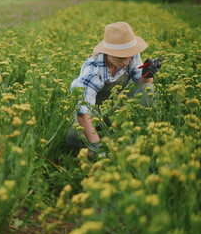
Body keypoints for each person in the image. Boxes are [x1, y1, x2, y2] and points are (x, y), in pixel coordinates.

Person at [67, 21, 160, 156]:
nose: (126, 61)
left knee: (148, 89)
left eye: (128, 54)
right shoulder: (92, 71)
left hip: (112, 106)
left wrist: (148, 72)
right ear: (107, 52)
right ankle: (98, 139)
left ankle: (137, 132)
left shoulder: (130, 55)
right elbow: (83, 114)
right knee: (75, 135)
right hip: (89, 112)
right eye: (120, 56)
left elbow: (142, 82)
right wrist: (97, 148)